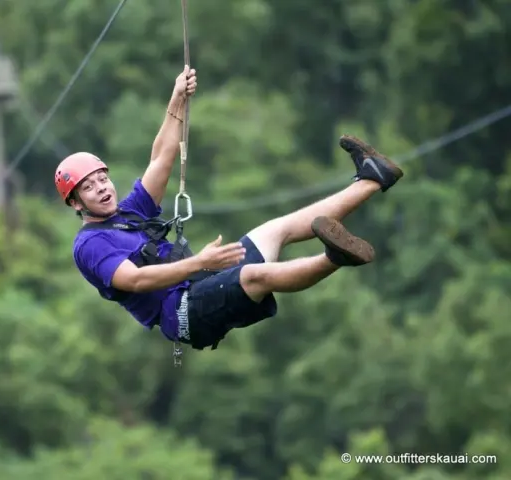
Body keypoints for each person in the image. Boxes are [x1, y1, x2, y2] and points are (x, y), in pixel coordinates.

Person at [54, 65, 403, 351]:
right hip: (182, 314)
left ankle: (371, 178)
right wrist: (200, 262)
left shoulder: (131, 214)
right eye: (89, 187)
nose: (101, 189)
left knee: (275, 230)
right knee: (254, 276)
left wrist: (177, 100)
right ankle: (335, 257)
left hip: (202, 278)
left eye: (102, 179)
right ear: (75, 202)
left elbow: (162, 155)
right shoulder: (89, 245)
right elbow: (137, 278)